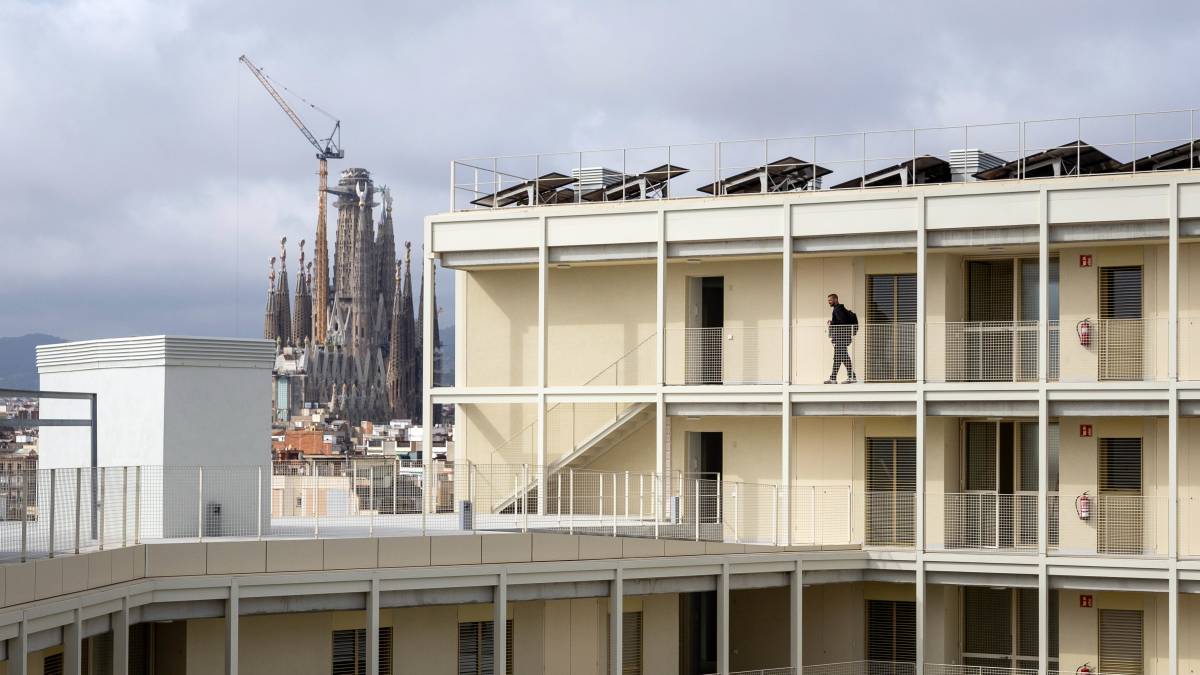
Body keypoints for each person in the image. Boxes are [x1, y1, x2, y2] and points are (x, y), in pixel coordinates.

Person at [826, 293, 858, 384]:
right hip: (842, 337)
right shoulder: (840, 309)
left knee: (842, 357)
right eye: (828, 301)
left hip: (841, 338)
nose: (829, 302)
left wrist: (832, 323)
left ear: (836, 299)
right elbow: (842, 321)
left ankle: (851, 377)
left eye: (830, 300)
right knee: (839, 357)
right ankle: (834, 378)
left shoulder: (838, 309)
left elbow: (842, 322)